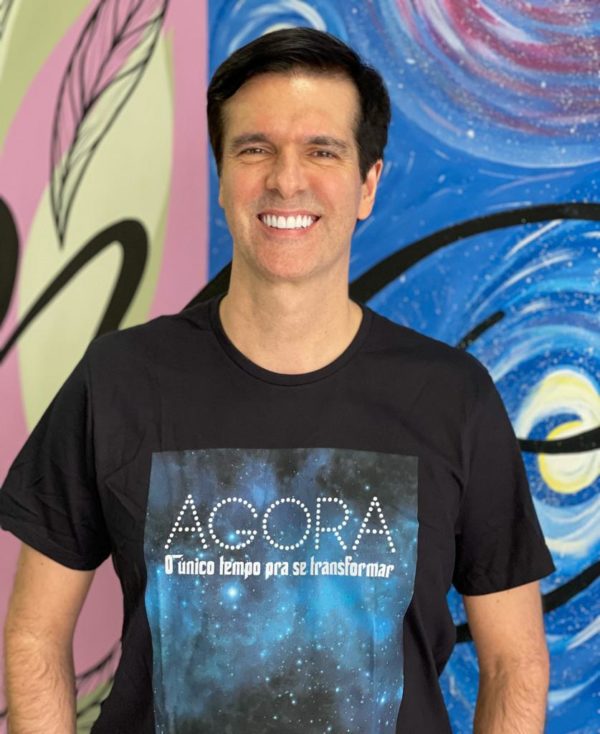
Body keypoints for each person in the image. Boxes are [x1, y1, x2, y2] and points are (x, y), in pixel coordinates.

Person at [0, 27, 555, 734]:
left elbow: (515, 664)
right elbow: (35, 633)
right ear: (222, 176)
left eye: (322, 151)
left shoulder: (454, 397)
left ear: (367, 185)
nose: (286, 180)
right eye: (254, 149)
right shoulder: (118, 380)